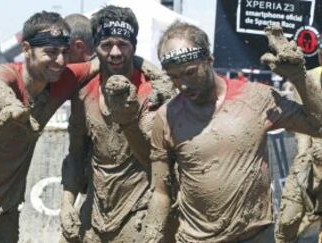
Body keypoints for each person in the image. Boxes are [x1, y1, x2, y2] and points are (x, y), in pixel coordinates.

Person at [143, 21, 322, 243]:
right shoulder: (167, 116)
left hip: (256, 235)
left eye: (190, 73)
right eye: (174, 77)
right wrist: (151, 236)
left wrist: (299, 77)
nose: (183, 85)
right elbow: (160, 192)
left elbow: (318, 126)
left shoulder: (256, 98)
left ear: (209, 60)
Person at [0, 11, 102, 243]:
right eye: (50, 52)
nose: (59, 60)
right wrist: (11, 106)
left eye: (64, 52)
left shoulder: (62, 79)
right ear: (26, 49)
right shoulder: (7, 74)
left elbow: (105, 60)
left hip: (3, 210)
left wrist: (155, 71)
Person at [60, 5, 176, 243]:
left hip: (139, 208)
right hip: (96, 209)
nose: (115, 52)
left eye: (123, 44)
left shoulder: (151, 92)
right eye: (106, 45)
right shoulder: (84, 93)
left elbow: (155, 161)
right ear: (95, 48)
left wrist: (129, 122)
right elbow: (76, 153)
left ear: (133, 46)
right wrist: (66, 203)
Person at [275, 39, 322, 243]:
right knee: (287, 222)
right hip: (309, 159)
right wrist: (303, 156)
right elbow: (301, 124)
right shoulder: (309, 78)